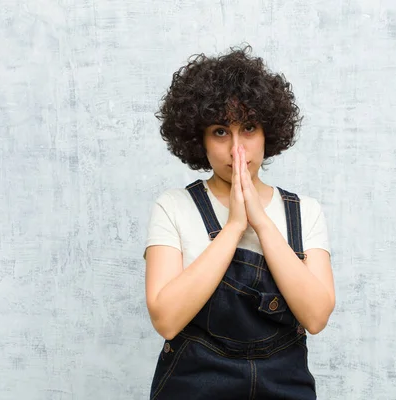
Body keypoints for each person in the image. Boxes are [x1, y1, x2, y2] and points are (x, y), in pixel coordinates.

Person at [143, 44, 335, 399]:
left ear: (268, 134)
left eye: (248, 128)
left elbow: (316, 316)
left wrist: (261, 223)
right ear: (198, 138)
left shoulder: (303, 211)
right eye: (220, 131)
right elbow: (166, 319)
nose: (237, 150)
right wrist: (233, 227)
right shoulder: (174, 206)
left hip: (284, 388)